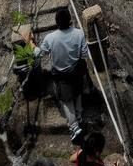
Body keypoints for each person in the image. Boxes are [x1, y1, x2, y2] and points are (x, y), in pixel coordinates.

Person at [25, 8, 89, 145]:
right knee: (77, 93)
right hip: (76, 73)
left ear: (56, 22)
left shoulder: (50, 38)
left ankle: (74, 127)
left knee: (66, 101)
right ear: (70, 20)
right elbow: (85, 54)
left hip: (61, 76)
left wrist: (30, 42)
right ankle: (79, 116)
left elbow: (38, 53)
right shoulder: (79, 34)